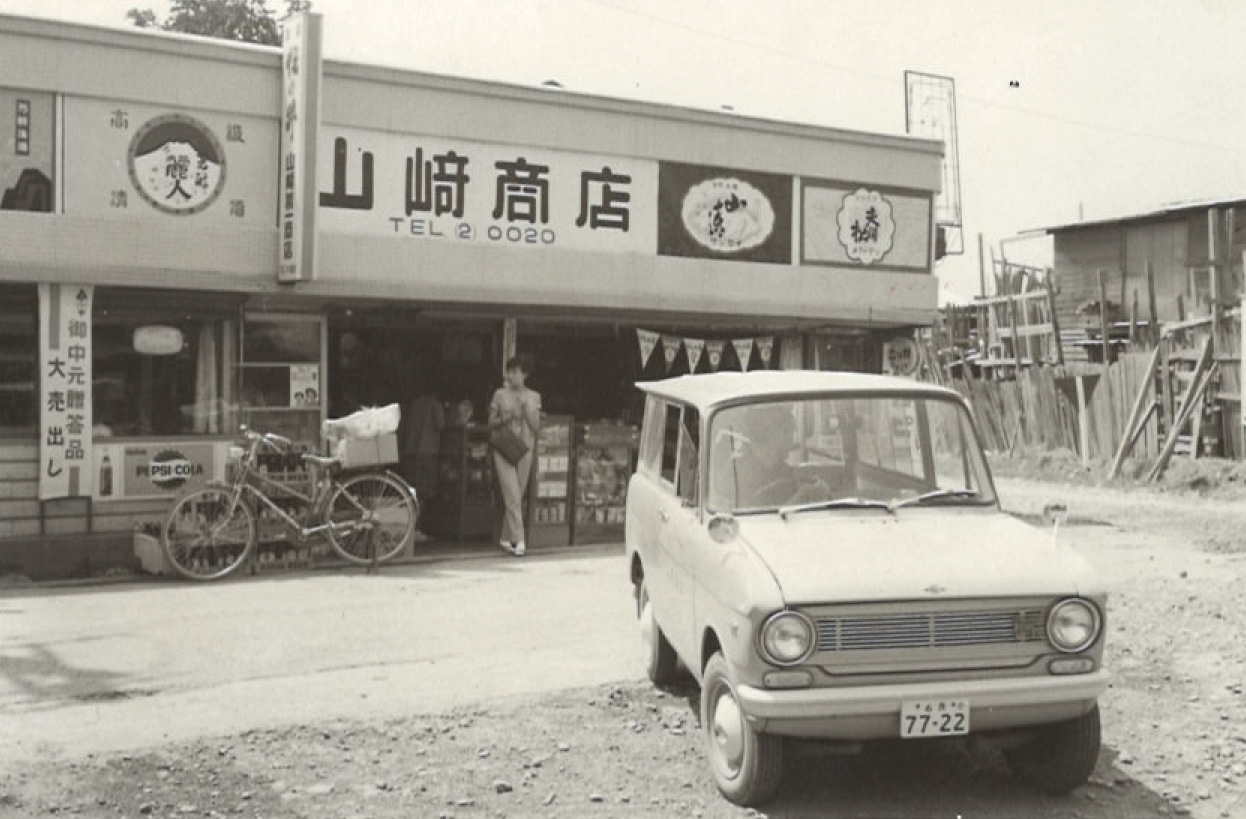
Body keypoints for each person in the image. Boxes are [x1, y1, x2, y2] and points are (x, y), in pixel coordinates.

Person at [490, 354, 540, 556]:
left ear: (525, 374)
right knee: (511, 493)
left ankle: (505, 537)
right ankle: (519, 540)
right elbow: (491, 422)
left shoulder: (534, 397)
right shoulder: (499, 395)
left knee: (517, 494)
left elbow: (536, 426)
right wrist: (509, 415)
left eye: (515, 372)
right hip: (504, 448)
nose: (510, 376)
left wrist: (526, 410)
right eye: (509, 371)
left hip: (525, 448)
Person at [402, 381, 445, 534]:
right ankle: (415, 527)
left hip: (410, 450)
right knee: (423, 493)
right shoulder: (434, 405)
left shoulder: (414, 404)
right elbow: (441, 424)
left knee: (411, 490)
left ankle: (408, 526)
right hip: (427, 451)